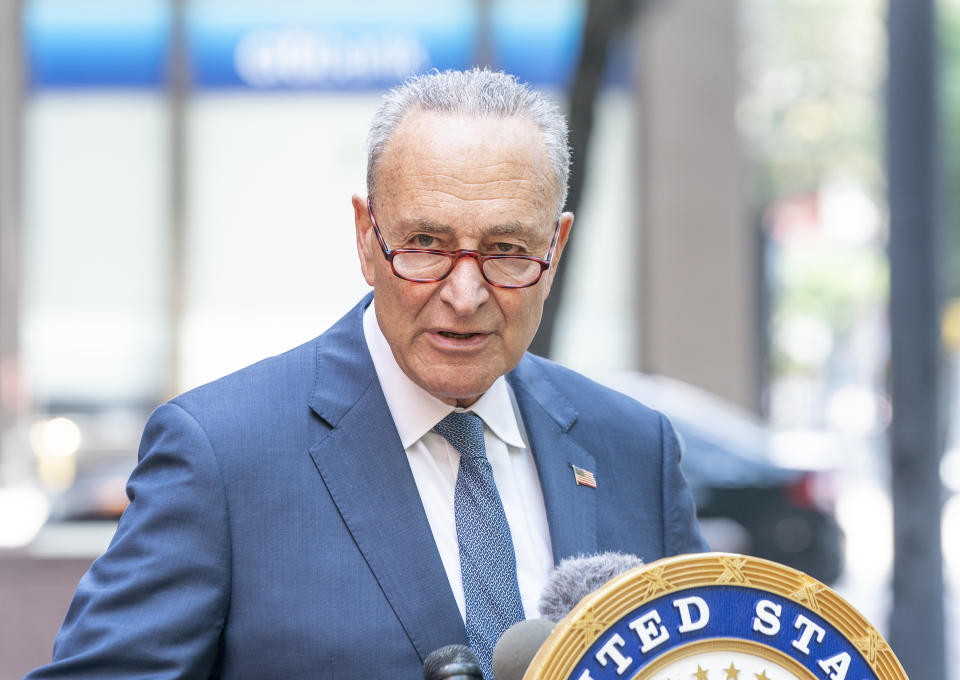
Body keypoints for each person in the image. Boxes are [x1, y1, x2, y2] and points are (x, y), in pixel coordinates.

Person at [27, 68, 706, 680]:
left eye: (506, 250)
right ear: (365, 235)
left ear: (555, 247)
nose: (464, 294)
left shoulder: (635, 450)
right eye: (426, 245)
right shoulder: (222, 457)